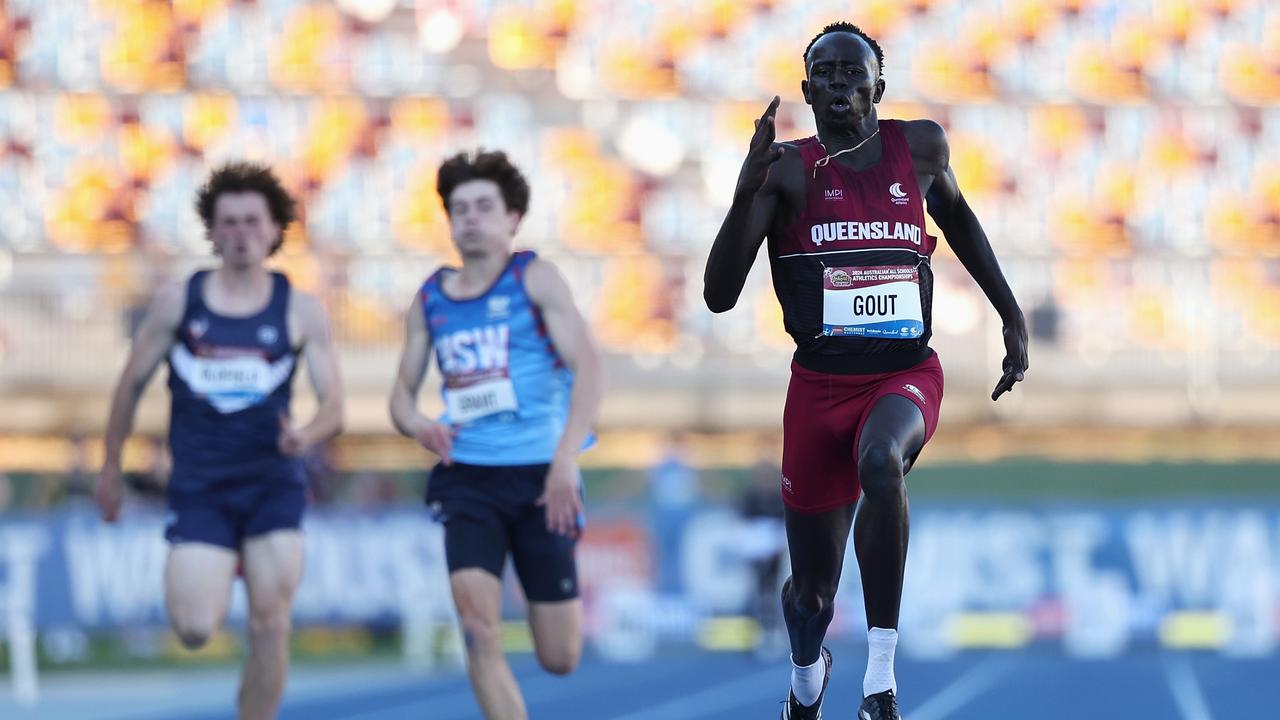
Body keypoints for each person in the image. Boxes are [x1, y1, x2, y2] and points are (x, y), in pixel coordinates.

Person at [703, 22, 1029, 720]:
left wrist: (1010, 312)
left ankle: (880, 677)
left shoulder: (921, 148)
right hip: (818, 391)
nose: (842, 84)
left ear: (879, 86)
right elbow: (719, 295)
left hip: (904, 373)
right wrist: (742, 195)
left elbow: (963, 221)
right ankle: (806, 678)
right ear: (806, 90)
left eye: (856, 72)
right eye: (826, 73)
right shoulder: (786, 170)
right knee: (808, 598)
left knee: (883, 462)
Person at [95, 162, 344, 720]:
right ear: (211, 232)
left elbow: (335, 407)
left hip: (271, 486)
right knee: (193, 627)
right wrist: (110, 468)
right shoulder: (179, 304)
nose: (241, 234)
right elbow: (129, 385)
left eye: (253, 222)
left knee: (270, 621)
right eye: (228, 223)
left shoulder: (300, 311)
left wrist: (306, 434)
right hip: (201, 488)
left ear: (276, 230)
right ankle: (220, 561)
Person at [389, 149, 604, 720]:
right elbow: (400, 400)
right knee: (479, 631)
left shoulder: (534, 278)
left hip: (541, 478)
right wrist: (418, 425)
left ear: (512, 217)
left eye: (484, 206)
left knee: (559, 655)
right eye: (459, 209)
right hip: (468, 480)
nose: (471, 219)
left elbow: (589, 369)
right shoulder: (431, 297)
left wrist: (565, 461)